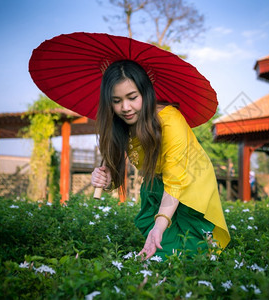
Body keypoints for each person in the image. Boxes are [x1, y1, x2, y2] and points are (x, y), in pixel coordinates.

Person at [90, 60, 230, 260]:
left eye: (132, 97)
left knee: (191, 248)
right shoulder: (120, 123)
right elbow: (114, 171)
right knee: (165, 250)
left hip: (189, 181)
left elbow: (175, 182)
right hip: (157, 180)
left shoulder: (170, 121)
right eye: (116, 100)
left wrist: (159, 226)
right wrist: (104, 178)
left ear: (145, 93)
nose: (125, 107)